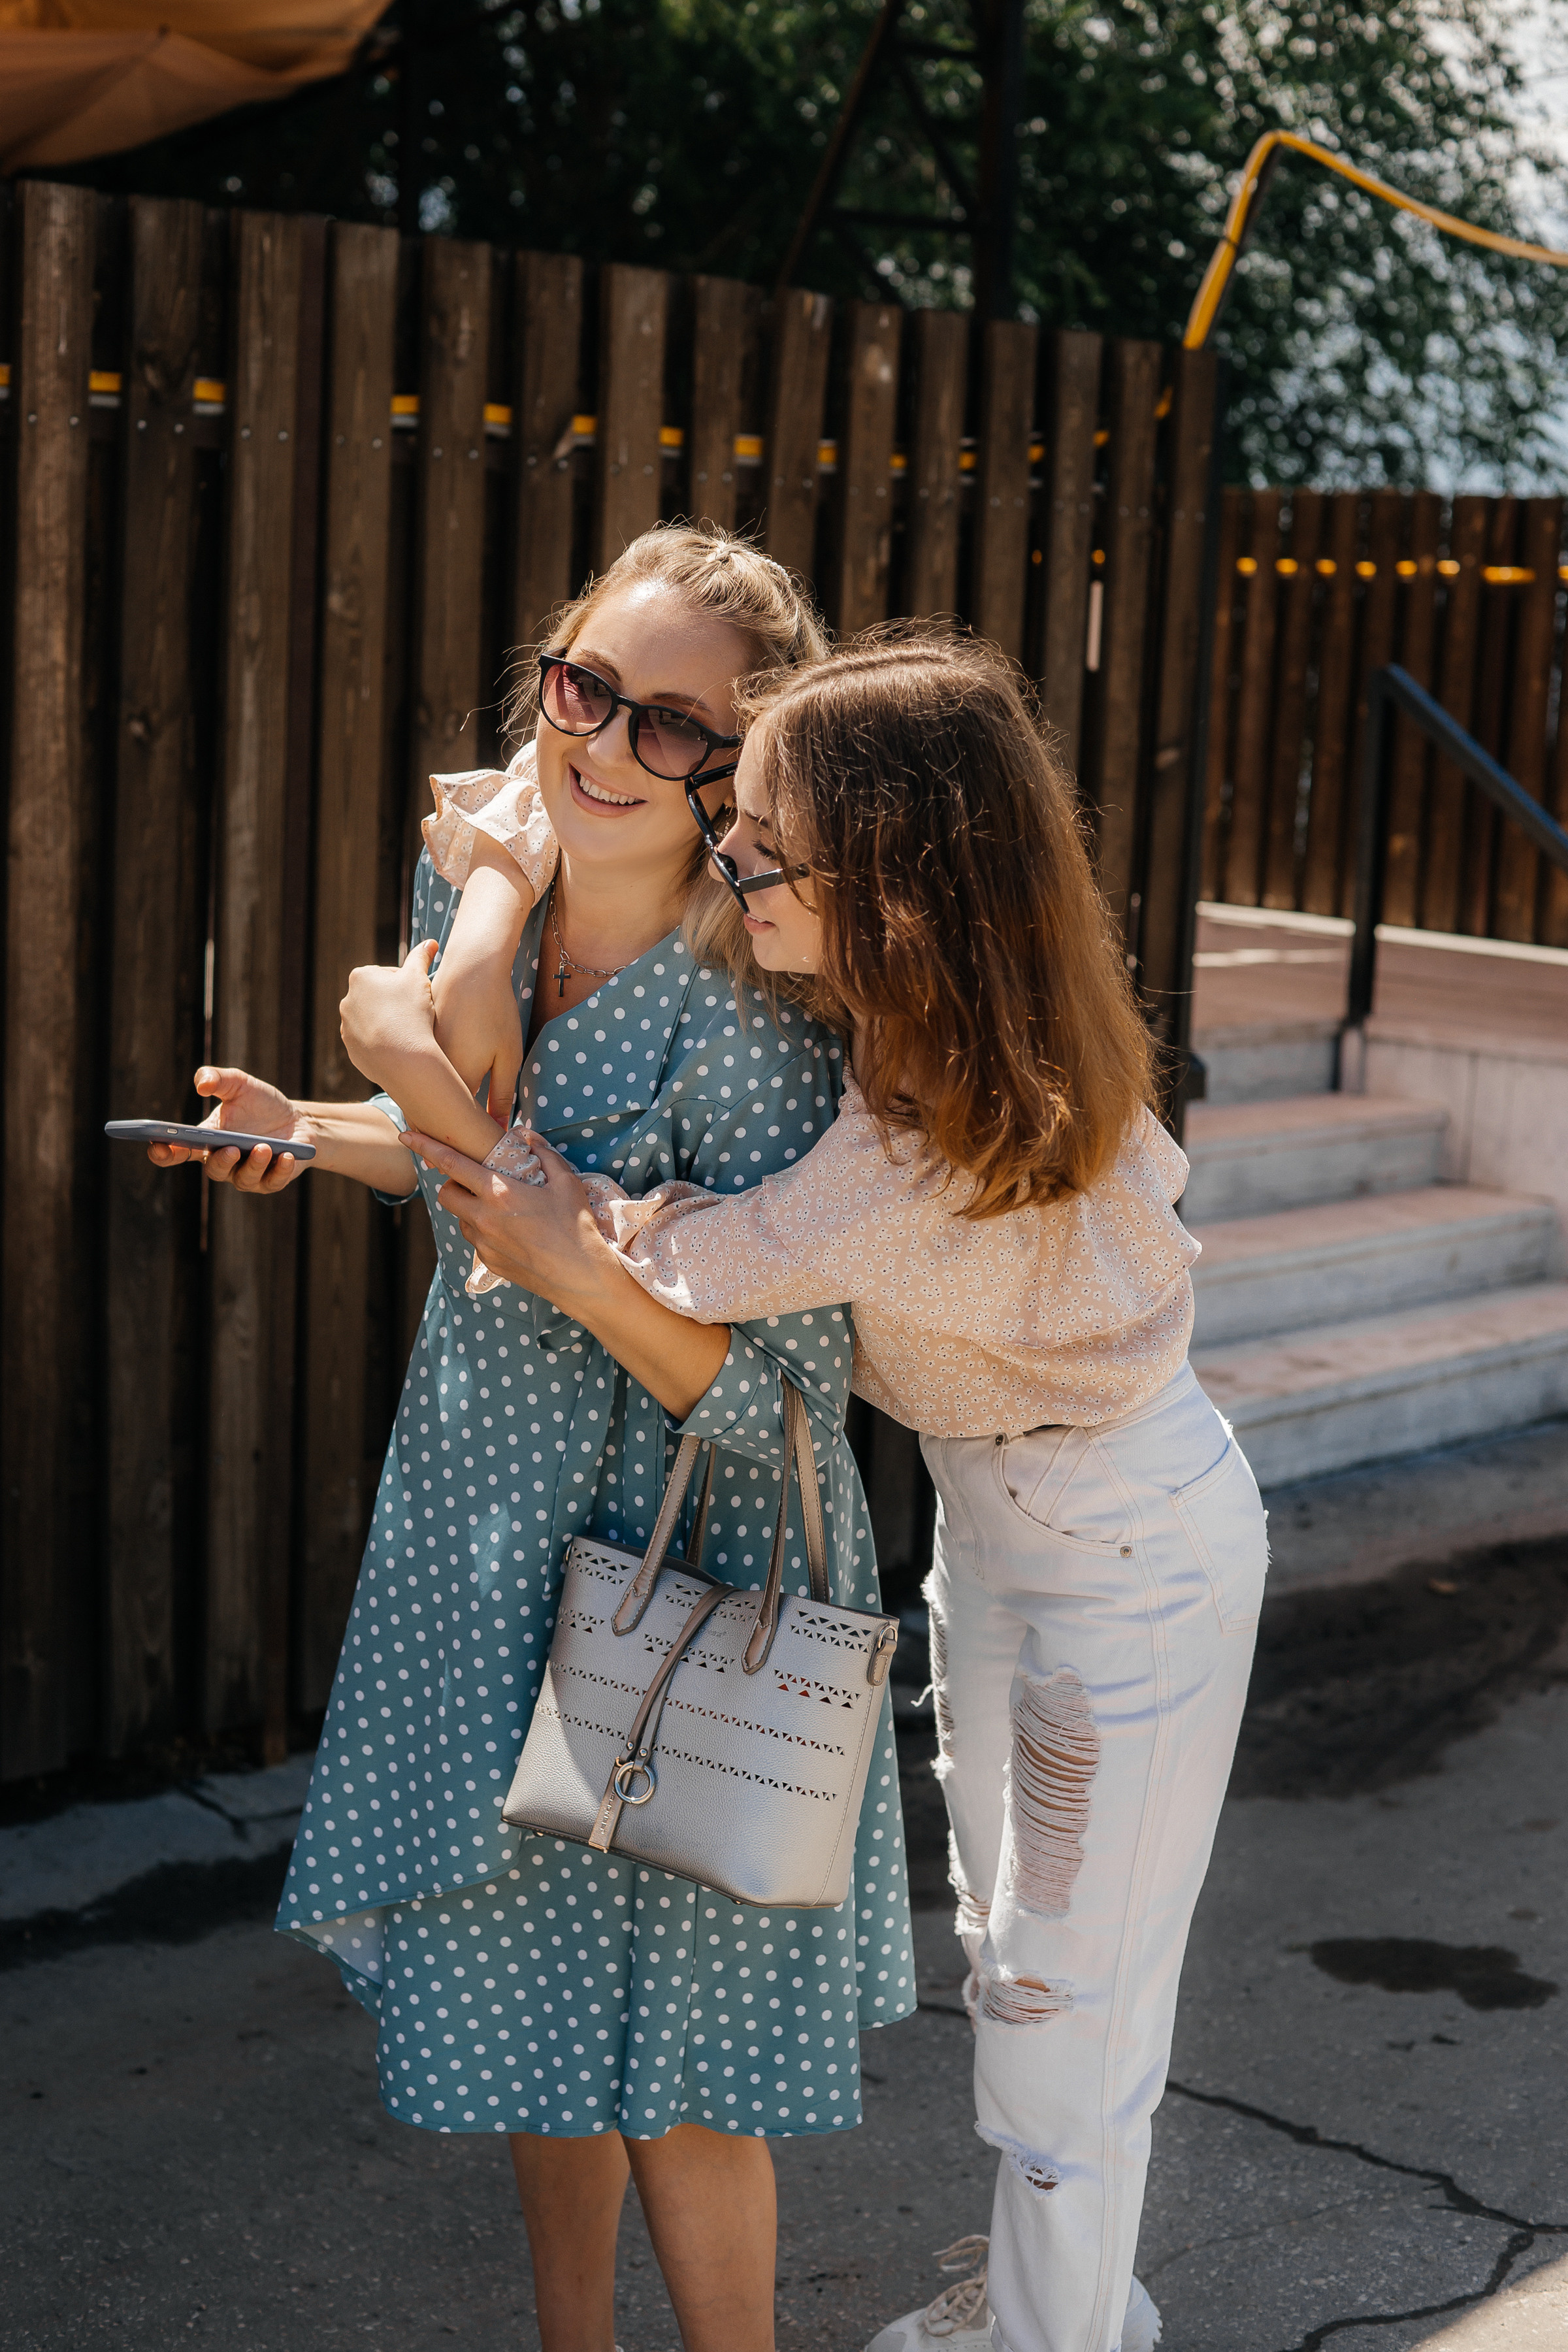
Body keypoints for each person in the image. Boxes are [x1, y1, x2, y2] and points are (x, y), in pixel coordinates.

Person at [393, 629, 1269, 2352]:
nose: (729, 858)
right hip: (1030, 1520)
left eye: (767, 847)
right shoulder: (968, 1033)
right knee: (1018, 1955)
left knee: (1055, 2008)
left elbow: (628, 1254)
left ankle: (1056, 2335)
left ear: (898, 882)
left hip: (1120, 1547)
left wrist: (454, 955)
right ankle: (1053, 2305)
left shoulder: (924, 1147)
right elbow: (1148, 1198)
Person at [147, 527, 915, 2352]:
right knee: (538, 2033)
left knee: (694, 2078)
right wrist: (319, 1123)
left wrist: (423, 1054)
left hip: (703, 1556)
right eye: (584, 691)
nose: (600, 747)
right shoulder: (496, 926)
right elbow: (475, 1146)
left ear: (742, 768)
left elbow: (776, 1388)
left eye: (668, 727)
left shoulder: (764, 1025)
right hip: (493, 1532)